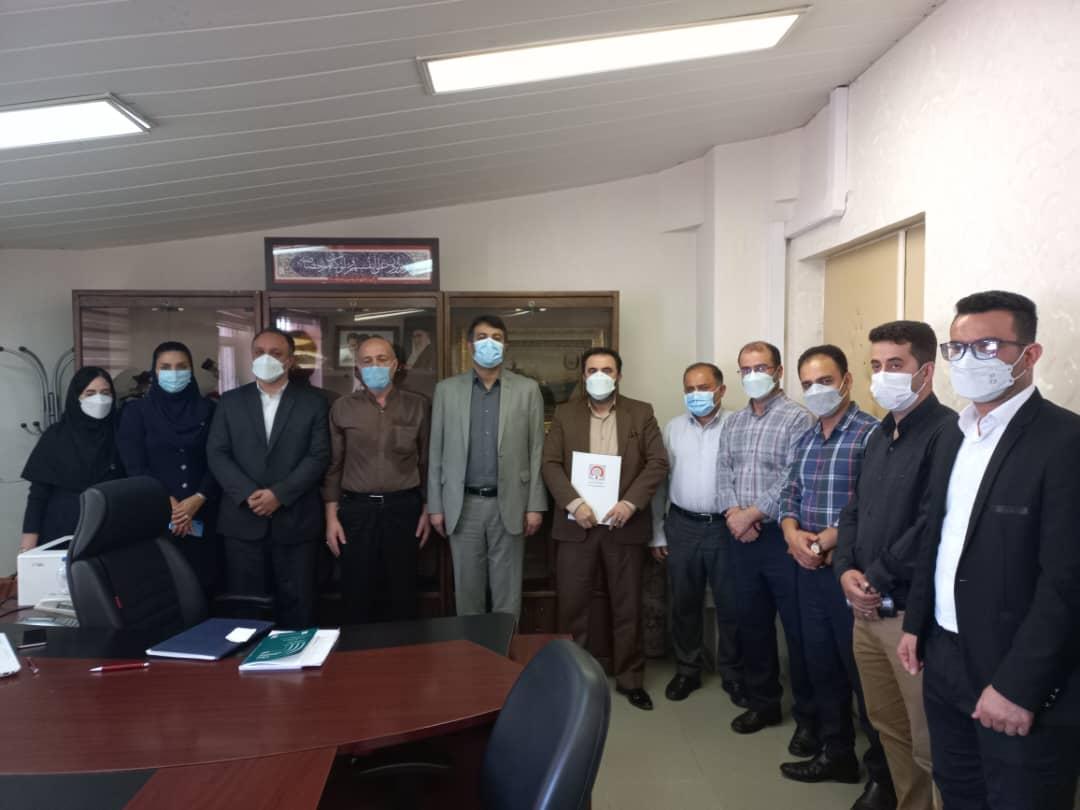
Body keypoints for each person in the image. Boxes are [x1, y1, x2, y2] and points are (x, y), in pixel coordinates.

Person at [899, 291, 1080, 810]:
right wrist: (916, 623)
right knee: (958, 791)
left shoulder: (1064, 441)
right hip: (944, 655)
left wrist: (1020, 686)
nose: (968, 360)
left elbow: (1067, 580)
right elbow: (938, 538)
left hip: (1015, 670)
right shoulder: (954, 435)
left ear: (1030, 354)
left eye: (988, 346)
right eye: (957, 348)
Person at [835, 320, 954, 810]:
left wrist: (874, 577)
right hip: (864, 611)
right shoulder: (879, 434)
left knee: (930, 744)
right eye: (876, 365)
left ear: (925, 371)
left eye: (895, 365)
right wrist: (845, 568)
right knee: (888, 729)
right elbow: (855, 508)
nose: (883, 375)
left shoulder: (947, 433)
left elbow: (932, 523)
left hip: (908, 617)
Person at [778, 345, 893, 808]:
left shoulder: (872, 434)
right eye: (807, 384)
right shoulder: (807, 437)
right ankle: (836, 753)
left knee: (863, 676)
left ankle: (883, 777)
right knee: (819, 664)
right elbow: (790, 491)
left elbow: (873, 506)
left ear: (846, 381)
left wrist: (824, 542)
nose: (816, 391)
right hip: (805, 568)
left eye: (824, 381)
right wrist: (791, 534)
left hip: (847, 571)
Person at [542, 347, 668, 710]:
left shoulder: (640, 412)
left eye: (607, 370)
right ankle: (574, 680)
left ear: (618, 376)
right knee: (573, 606)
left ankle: (630, 679)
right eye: (592, 370)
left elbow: (657, 462)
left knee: (627, 606)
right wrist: (574, 503)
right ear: (583, 376)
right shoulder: (565, 413)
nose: (599, 376)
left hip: (622, 524)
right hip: (576, 525)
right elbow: (550, 464)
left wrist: (630, 503)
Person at [716, 341, 819, 756]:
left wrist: (752, 514)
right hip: (740, 536)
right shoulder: (734, 422)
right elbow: (723, 470)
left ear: (778, 371)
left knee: (797, 630)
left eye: (761, 367)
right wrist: (733, 514)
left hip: (781, 536)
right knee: (752, 624)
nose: (753, 375)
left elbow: (794, 477)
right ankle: (763, 703)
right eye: (746, 369)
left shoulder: (799, 418)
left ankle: (809, 718)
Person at [207, 328, 330, 628]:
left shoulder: (313, 402)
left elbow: (318, 456)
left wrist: (279, 495)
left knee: (299, 604)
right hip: (242, 522)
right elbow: (217, 453)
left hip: (296, 521)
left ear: (290, 360)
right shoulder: (230, 401)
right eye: (259, 352)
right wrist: (248, 493)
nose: (266, 359)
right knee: (247, 609)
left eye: (276, 353)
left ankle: (297, 655)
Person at [427, 315, 547, 618]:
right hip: (462, 504)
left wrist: (535, 505)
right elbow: (436, 452)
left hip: (511, 502)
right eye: (482, 337)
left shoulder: (528, 389)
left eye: (496, 337)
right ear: (469, 345)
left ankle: (506, 649)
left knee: (508, 593)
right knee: (468, 592)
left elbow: (537, 450)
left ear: (506, 345)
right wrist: (436, 506)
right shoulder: (446, 390)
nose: (489, 343)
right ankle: (471, 649)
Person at [650, 362, 745, 707]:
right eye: (689, 389)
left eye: (703, 388)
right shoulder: (673, 428)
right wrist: (658, 533)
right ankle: (687, 670)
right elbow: (660, 483)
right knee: (684, 602)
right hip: (682, 525)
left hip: (726, 527)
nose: (696, 395)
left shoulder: (739, 424)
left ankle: (733, 673)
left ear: (721, 390)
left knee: (731, 604)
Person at [323, 337, 431, 623]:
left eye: (382, 359)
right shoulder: (342, 407)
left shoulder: (418, 406)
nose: (375, 366)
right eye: (367, 361)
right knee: (356, 593)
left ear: (395, 365)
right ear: (358, 368)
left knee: (403, 592)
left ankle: (404, 649)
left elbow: (427, 462)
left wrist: (426, 509)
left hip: (404, 509)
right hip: (356, 511)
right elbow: (334, 466)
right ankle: (358, 650)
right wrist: (331, 518)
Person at [116, 341, 220, 594]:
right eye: (165, 367)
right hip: (155, 517)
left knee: (205, 589)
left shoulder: (210, 410)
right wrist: (171, 505)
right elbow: (135, 465)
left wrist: (198, 498)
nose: (174, 373)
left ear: (191, 371)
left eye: (181, 367)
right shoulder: (136, 412)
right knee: (161, 591)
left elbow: (219, 459)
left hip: (205, 513)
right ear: (154, 371)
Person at [19, 367, 124, 552]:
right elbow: (37, 496)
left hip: (111, 529)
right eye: (90, 393)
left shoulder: (121, 433)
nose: (99, 399)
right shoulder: (55, 436)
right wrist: (27, 547)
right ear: (76, 397)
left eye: (105, 393)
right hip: (62, 531)